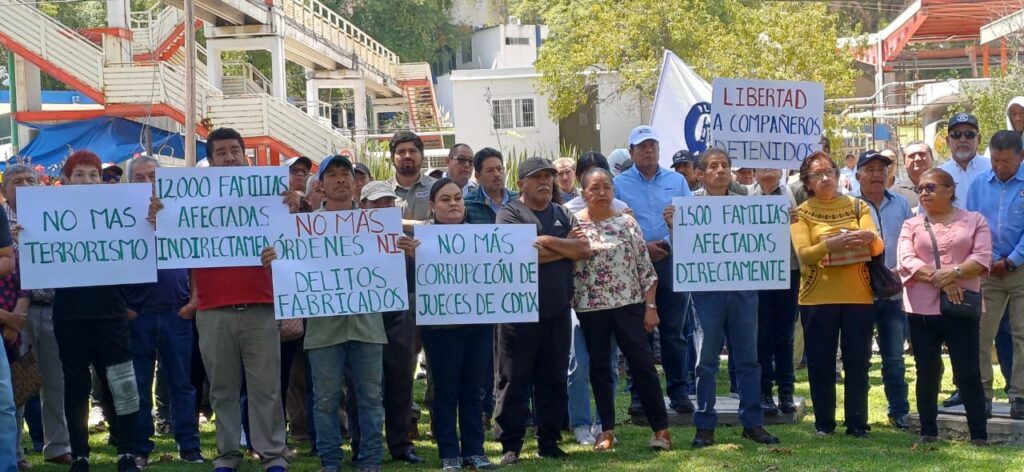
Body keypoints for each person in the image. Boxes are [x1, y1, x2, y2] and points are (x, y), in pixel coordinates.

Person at [147, 128, 289, 472]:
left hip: (260, 305)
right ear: (210, 161)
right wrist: (160, 217)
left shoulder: (272, 197)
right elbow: (168, 240)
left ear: (245, 155)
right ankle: (227, 455)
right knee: (222, 388)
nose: (229, 157)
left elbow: (295, 245)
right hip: (212, 309)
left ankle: (273, 455)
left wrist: (292, 207)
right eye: (221, 152)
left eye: (234, 150)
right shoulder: (189, 202)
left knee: (266, 387)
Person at [261, 154, 387, 472]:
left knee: (371, 398)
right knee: (325, 399)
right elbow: (292, 267)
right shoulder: (302, 230)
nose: (341, 178)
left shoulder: (378, 226)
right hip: (323, 327)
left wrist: (402, 250)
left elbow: (389, 269)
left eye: (346, 173)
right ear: (322, 185)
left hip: (367, 326)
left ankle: (370, 458)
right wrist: (277, 258)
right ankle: (330, 459)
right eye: (333, 174)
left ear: (356, 182)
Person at [493, 157, 592, 464]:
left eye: (548, 177)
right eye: (537, 177)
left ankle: (548, 440)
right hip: (517, 313)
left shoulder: (562, 213)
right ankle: (511, 444)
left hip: (557, 310)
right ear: (521, 183)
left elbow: (585, 250)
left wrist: (549, 241)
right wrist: (564, 248)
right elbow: (518, 257)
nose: (545, 182)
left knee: (552, 378)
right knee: (514, 379)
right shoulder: (509, 214)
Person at [51, 151, 142, 472]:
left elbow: (140, 248)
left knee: (122, 384)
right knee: (76, 386)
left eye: (93, 174)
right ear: (66, 180)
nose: (87, 180)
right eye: (80, 175)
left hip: (111, 314)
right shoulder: (49, 216)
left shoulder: (120, 212)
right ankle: (80, 454)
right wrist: (28, 236)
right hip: (70, 316)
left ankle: (126, 452)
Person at [683, 149, 779, 447]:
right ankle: (705, 425)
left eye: (725, 165)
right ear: (700, 174)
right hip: (706, 295)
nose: (721, 170)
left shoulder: (747, 206)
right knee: (706, 360)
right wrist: (675, 225)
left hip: (743, 292)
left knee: (749, 359)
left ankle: (752, 423)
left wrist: (777, 222)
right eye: (713, 166)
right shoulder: (688, 208)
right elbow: (684, 251)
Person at [574, 166, 670, 451]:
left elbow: (646, 269)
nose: (601, 192)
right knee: (601, 369)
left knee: (642, 366)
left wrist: (650, 307)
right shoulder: (574, 226)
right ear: (584, 193)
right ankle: (606, 430)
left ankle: (661, 430)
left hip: (629, 306)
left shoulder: (627, 224)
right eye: (594, 187)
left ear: (614, 191)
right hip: (591, 309)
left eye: (606, 186)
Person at [404, 178, 497, 471]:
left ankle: (474, 451)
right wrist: (414, 257)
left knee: (473, 390)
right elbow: (410, 284)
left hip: (478, 325)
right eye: (445, 199)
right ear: (432, 206)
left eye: (457, 198)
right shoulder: (421, 240)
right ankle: (449, 453)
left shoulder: (484, 237)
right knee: (444, 391)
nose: (453, 203)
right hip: (440, 329)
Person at [791, 151, 884, 438]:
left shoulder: (858, 206)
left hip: (859, 296)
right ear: (807, 182)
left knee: (857, 361)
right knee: (821, 362)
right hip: (817, 298)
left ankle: (857, 423)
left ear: (837, 175)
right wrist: (834, 244)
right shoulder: (800, 213)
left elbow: (877, 247)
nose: (825, 178)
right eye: (817, 175)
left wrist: (868, 238)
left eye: (828, 172)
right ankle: (824, 424)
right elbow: (804, 255)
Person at [897, 168, 990, 445]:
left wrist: (954, 273)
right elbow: (906, 260)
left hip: (962, 308)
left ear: (950, 190)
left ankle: (979, 435)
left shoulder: (974, 220)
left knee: (968, 371)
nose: (923, 193)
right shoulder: (911, 224)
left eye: (931, 187)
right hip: (922, 311)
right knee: (927, 370)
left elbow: (982, 256)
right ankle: (928, 431)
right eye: (920, 189)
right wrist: (945, 280)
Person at [123, 156, 204, 466]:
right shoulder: (119, 216)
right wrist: (125, 307)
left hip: (176, 312)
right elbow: (107, 264)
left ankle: (190, 445)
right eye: (140, 177)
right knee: (139, 385)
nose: (147, 182)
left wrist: (194, 299)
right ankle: (141, 448)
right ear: (131, 182)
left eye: (152, 176)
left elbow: (196, 259)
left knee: (182, 383)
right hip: (137, 314)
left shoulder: (180, 213)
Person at [613, 125, 695, 417]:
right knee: (638, 334)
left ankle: (680, 391)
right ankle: (639, 395)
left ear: (659, 150)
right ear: (632, 151)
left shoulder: (677, 181)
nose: (648, 150)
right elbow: (616, 226)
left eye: (653, 145)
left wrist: (669, 241)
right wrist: (644, 246)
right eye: (642, 146)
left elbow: (690, 221)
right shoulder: (618, 184)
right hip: (635, 264)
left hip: (671, 261)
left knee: (674, 332)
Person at [348, 179, 423, 466]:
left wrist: (413, 254)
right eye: (377, 203)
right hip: (362, 318)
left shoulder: (406, 236)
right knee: (361, 386)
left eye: (388, 202)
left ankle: (400, 444)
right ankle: (362, 443)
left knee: (401, 381)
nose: (383, 208)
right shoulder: (347, 235)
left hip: (397, 317)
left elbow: (422, 277)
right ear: (363, 205)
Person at [2, 164, 73, 465]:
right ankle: (15, 452)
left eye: (31, 180)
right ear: (5, 191)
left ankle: (58, 446)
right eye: (17, 182)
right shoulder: (2, 221)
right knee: (16, 386)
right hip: (15, 313)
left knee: (56, 382)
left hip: (53, 308)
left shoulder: (55, 215)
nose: (25, 185)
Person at [965, 130, 1024, 419]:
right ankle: (982, 394)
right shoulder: (978, 185)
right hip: (987, 269)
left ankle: (1020, 396)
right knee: (980, 333)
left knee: (1021, 333)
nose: (1001, 167)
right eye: (996, 161)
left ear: (1021, 157)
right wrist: (987, 258)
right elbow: (972, 226)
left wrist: (1012, 260)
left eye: (1008, 162)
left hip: (1021, 268)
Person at [853, 150, 913, 430]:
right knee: (859, 358)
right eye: (870, 169)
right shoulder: (848, 205)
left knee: (894, 358)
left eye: (882, 169)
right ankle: (858, 414)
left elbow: (907, 243)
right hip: (858, 291)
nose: (877, 174)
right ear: (858, 175)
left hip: (892, 292)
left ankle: (899, 411)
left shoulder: (900, 203)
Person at [751, 168, 799, 416]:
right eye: (762, 165)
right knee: (762, 336)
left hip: (788, 272)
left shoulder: (794, 194)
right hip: (758, 275)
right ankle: (764, 392)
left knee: (785, 336)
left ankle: (786, 391)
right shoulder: (746, 197)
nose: (768, 169)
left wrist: (796, 223)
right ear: (755, 172)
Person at [940, 113, 990, 208]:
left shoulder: (993, 169)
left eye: (969, 134)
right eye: (956, 135)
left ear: (978, 139)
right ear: (947, 141)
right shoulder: (940, 174)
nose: (962, 140)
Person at [387, 131, 437, 222]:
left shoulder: (437, 188)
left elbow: (444, 223)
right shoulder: (383, 190)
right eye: (401, 151)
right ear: (392, 158)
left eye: (412, 151)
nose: (407, 156)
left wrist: (401, 224)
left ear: (422, 156)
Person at [891, 141, 935, 207]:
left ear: (932, 158)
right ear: (904, 163)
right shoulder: (895, 193)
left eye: (922, 154)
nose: (917, 158)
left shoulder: (945, 187)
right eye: (911, 156)